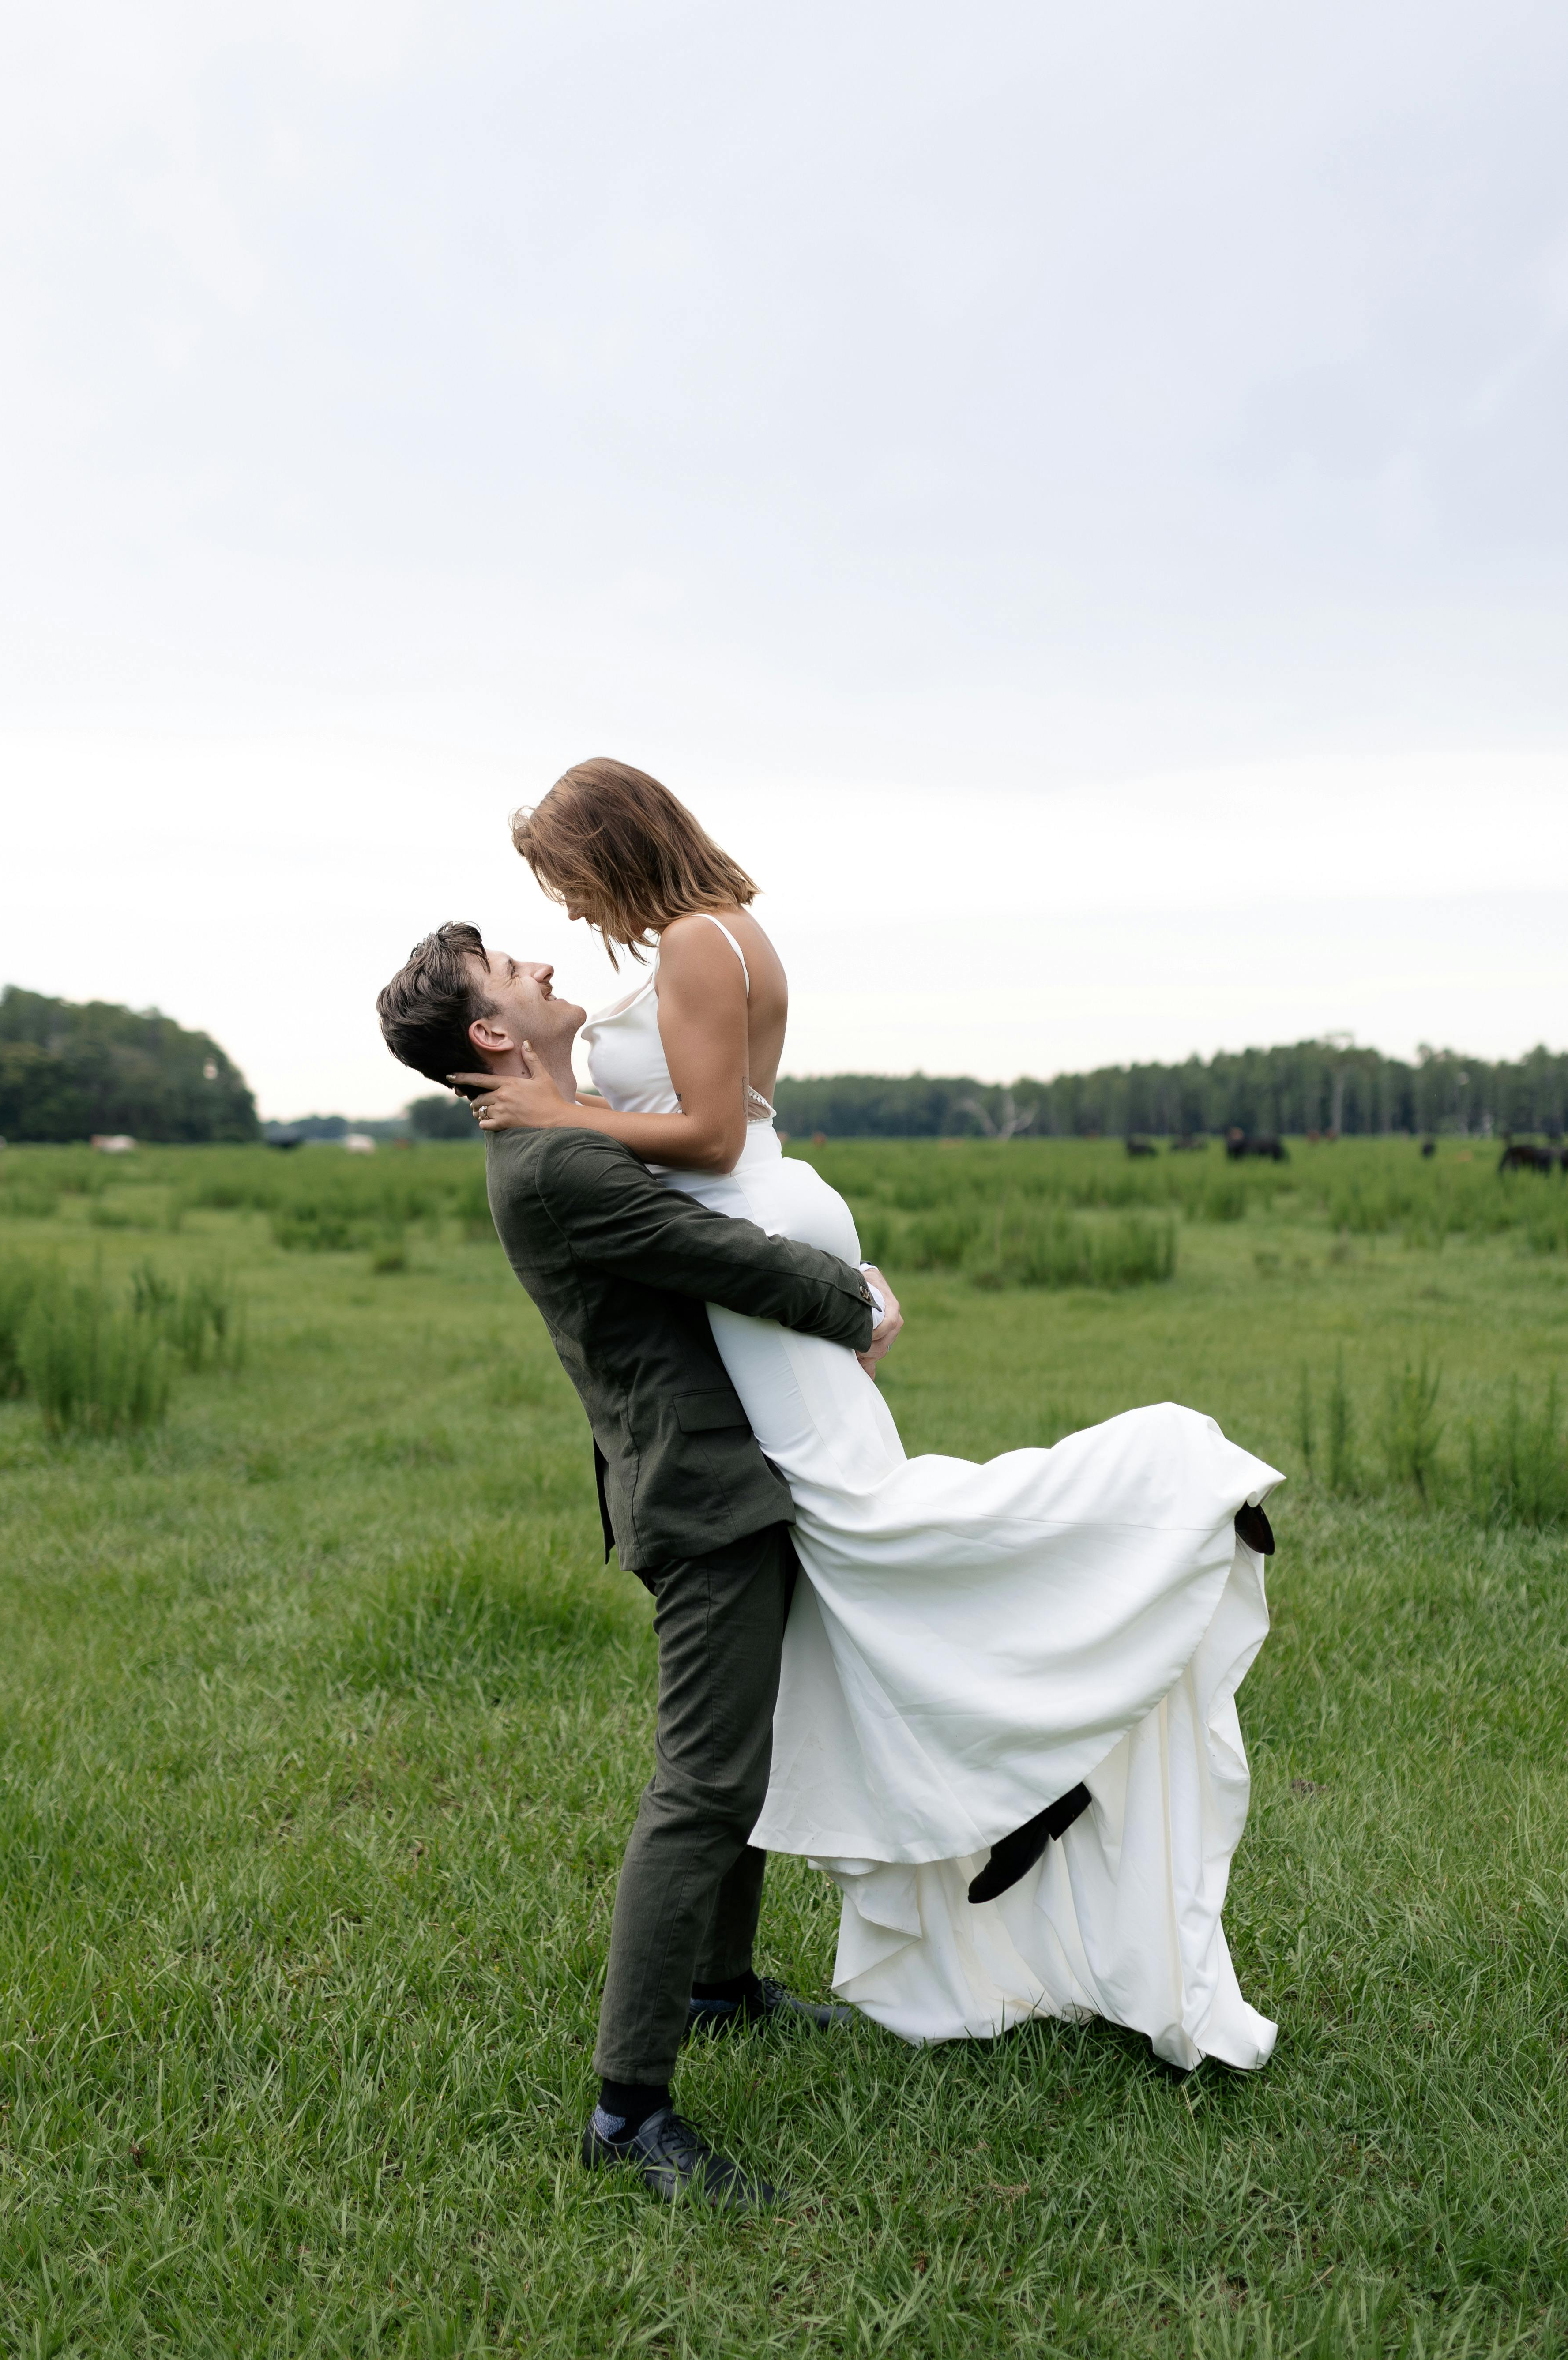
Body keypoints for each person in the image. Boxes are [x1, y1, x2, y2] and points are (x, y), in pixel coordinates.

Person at [451, 758, 1284, 2077]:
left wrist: (571, 1109)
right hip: (761, 1246)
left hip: (752, 1235)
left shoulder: (690, 949)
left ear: (608, 848)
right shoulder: (717, 935)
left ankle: (1150, 1506)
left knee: (873, 1538)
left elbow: (718, 1140)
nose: (558, 912)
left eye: (560, 877)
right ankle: (947, 1822)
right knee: (845, 1581)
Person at [376, 925, 902, 2210]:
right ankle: (628, 2107)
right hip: (702, 1498)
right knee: (703, 1780)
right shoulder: (556, 1164)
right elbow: (726, 1257)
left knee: (742, 1756)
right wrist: (859, 1301)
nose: (545, 968)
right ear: (491, 1034)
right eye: (513, 970)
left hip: (726, 1478)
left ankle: (721, 1986)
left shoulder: (567, 1128)